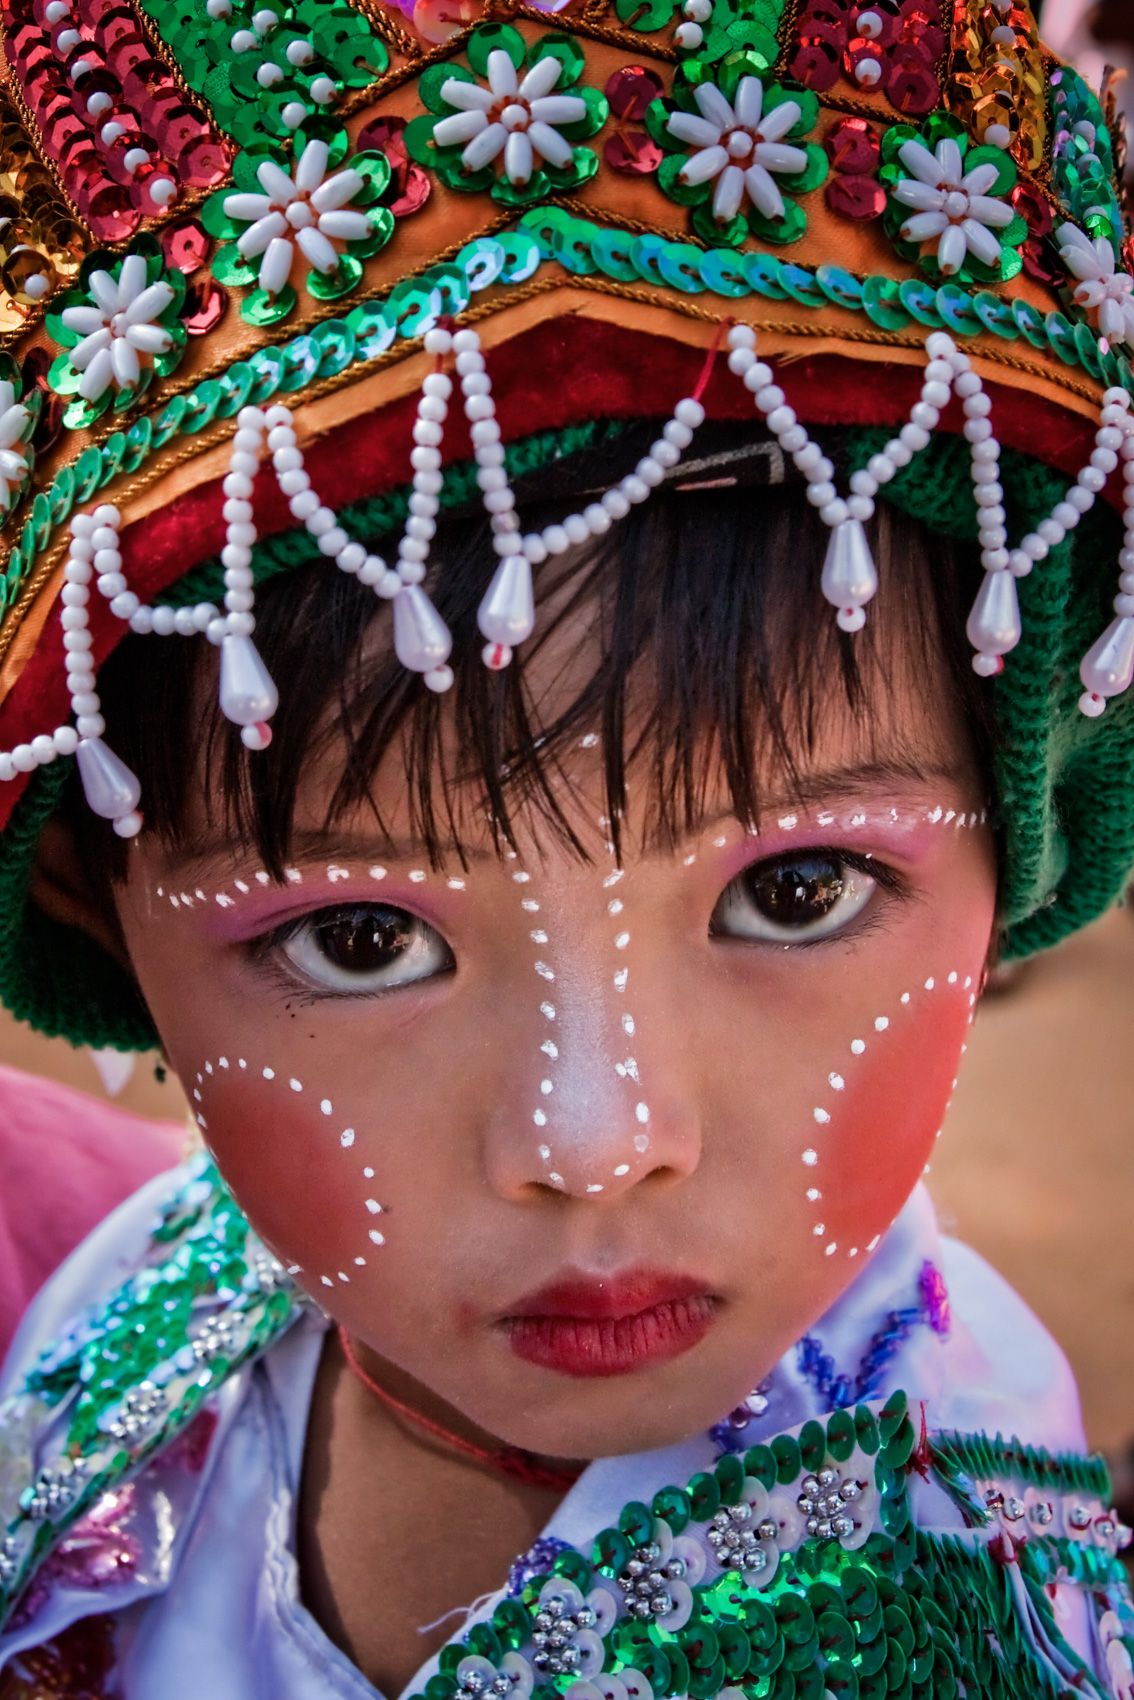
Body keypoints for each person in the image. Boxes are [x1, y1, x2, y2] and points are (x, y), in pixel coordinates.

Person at [1, 0, 1133, 1692]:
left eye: (795, 889)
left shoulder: (954, 1622)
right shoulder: (145, 1307)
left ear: (1020, 833)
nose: (597, 1144)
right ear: (94, 900)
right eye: (361, 939)